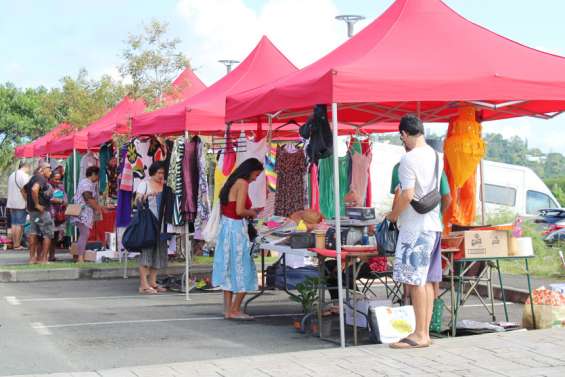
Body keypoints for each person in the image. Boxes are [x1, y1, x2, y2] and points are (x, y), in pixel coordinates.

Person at [387, 115, 443, 349]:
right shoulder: (435, 155)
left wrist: (393, 216)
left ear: (403, 134)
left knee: (415, 280)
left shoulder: (408, 159)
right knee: (427, 281)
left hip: (415, 228)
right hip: (433, 225)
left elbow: (407, 195)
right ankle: (424, 332)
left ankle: (419, 334)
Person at [390, 146, 451, 299]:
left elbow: (400, 197)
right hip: (434, 228)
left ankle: (409, 309)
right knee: (430, 279)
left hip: (412, 227)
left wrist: (393, 216)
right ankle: (431, 319)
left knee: (412, 279)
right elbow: (447, 198)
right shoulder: (436, 165)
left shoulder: (400, 166)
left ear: (404, 139)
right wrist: (438, 215)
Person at [212, 158, 264, 320]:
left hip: (226, 228)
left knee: (228, 268)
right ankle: (235, 309)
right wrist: (254, 213)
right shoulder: (242, 183)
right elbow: (240, 210)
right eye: (256, 174)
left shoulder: (232, 181)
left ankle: (228, 309)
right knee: (244, 268)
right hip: (235, 229)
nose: (255, 178)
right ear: (250, 171)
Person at [135, 162, 173, 294]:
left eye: (163, 173)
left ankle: (153, 281)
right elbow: (137, 201)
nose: (161, 176)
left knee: (159, 253)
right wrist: (147, 196)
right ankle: (143, 284)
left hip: (162, 224)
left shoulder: (166, 185)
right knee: (147, 253)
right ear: (152, 173)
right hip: (148, 224)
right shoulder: (144, 184)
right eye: (159, 173)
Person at [72, 166, 103, 263]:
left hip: (83, 213)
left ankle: (78, 256)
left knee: (84, 234)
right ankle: (80, 258)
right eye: (98, 175)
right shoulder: (86, 183)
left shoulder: (86, 183)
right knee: (84, 234)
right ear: (93, 174)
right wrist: (98, 208)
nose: (98, 178)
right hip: (82, 214)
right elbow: (88, 198)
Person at [25, 161, 54, 264]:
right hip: (41, 212)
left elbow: (23, 190)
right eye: (49, 168)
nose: (51, 171)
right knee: (47, 233)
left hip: (33, 212)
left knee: (33, 232)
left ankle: (32, 258)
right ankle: (44, 259)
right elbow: (34, 189)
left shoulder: (32, 178)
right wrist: (37, 204)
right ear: (42, 169)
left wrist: (30, 203)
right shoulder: (40, 178)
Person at [6, 161, 31, 250]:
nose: (29, 169)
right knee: (20, 224)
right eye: (29, 167)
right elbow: (25, 190)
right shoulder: (24, 175)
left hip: (11, 203)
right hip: (20, 203)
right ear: (26, 166)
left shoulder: (12, 175)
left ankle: (15, 243)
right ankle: (17, 244)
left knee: (14, 223)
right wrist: (28, 201)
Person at [48, 171, 68, 262]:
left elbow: (65, 198)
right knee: (49, 236)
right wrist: (58, 201)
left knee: (55, 236)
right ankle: (45, 255)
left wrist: (64, 202)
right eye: (55, 179)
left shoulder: (61, 187)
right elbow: (47, 198)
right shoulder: (48, 186)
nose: (57, 181)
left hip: (59, 215)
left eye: (59, 179)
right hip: (50, 214)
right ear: (51, 178)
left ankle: (52, 255)